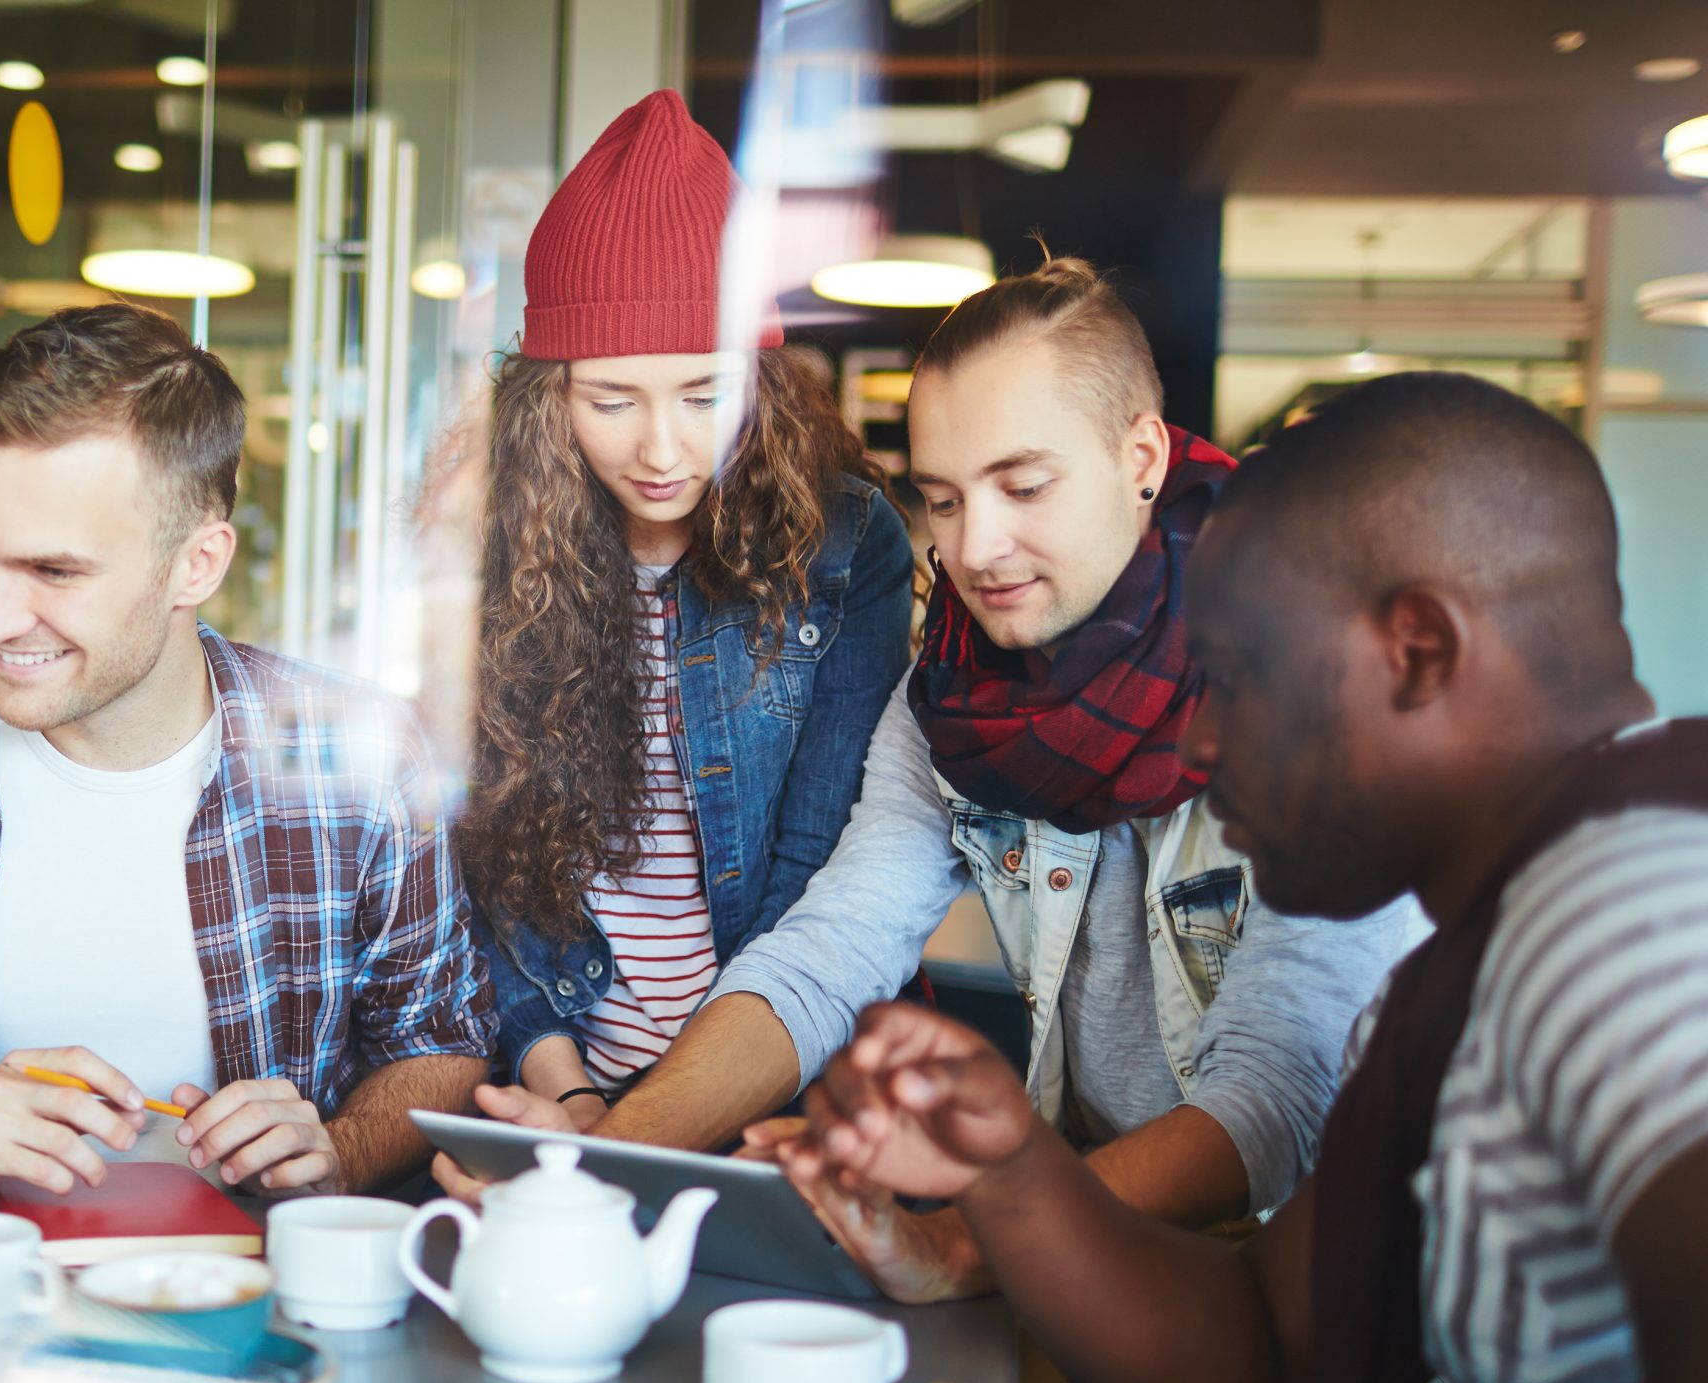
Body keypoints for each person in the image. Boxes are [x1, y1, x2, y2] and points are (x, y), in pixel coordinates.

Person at [778, 372, 1705, 1383]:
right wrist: (1010, 1178)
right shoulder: (1475, 961)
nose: (1200, 740)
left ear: (1419, 653)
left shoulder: (1629, 911)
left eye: (1241, 677)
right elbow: (1276, 1360)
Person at [453, 258, 1415, 1303]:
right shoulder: (954, 693)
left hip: (1319, 1291)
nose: (975, 549)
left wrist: (962, 1245)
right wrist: (594, 1173)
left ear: (1139, 455)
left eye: (1024, 485)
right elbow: (828, 953)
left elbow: (1275, 1098)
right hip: (1094, 1247)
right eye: (944, 500)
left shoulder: (1317, 693)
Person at [0, 304, 492, 1204]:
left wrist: (339, 1149)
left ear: (197, 565)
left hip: (246, 1306)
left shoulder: (361, 759)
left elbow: (441, 1042)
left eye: (54, 572)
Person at [453, 89, 915, 1125]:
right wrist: (567, 1092)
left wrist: (673, 1114)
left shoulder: (845, 545)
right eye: (610, 401)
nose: (661, 451)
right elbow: (472, 871)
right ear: (546, 401)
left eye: (704, 396)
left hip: (772, 1086)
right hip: (550, 1079)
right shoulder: (483, 551)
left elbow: (819, 868)